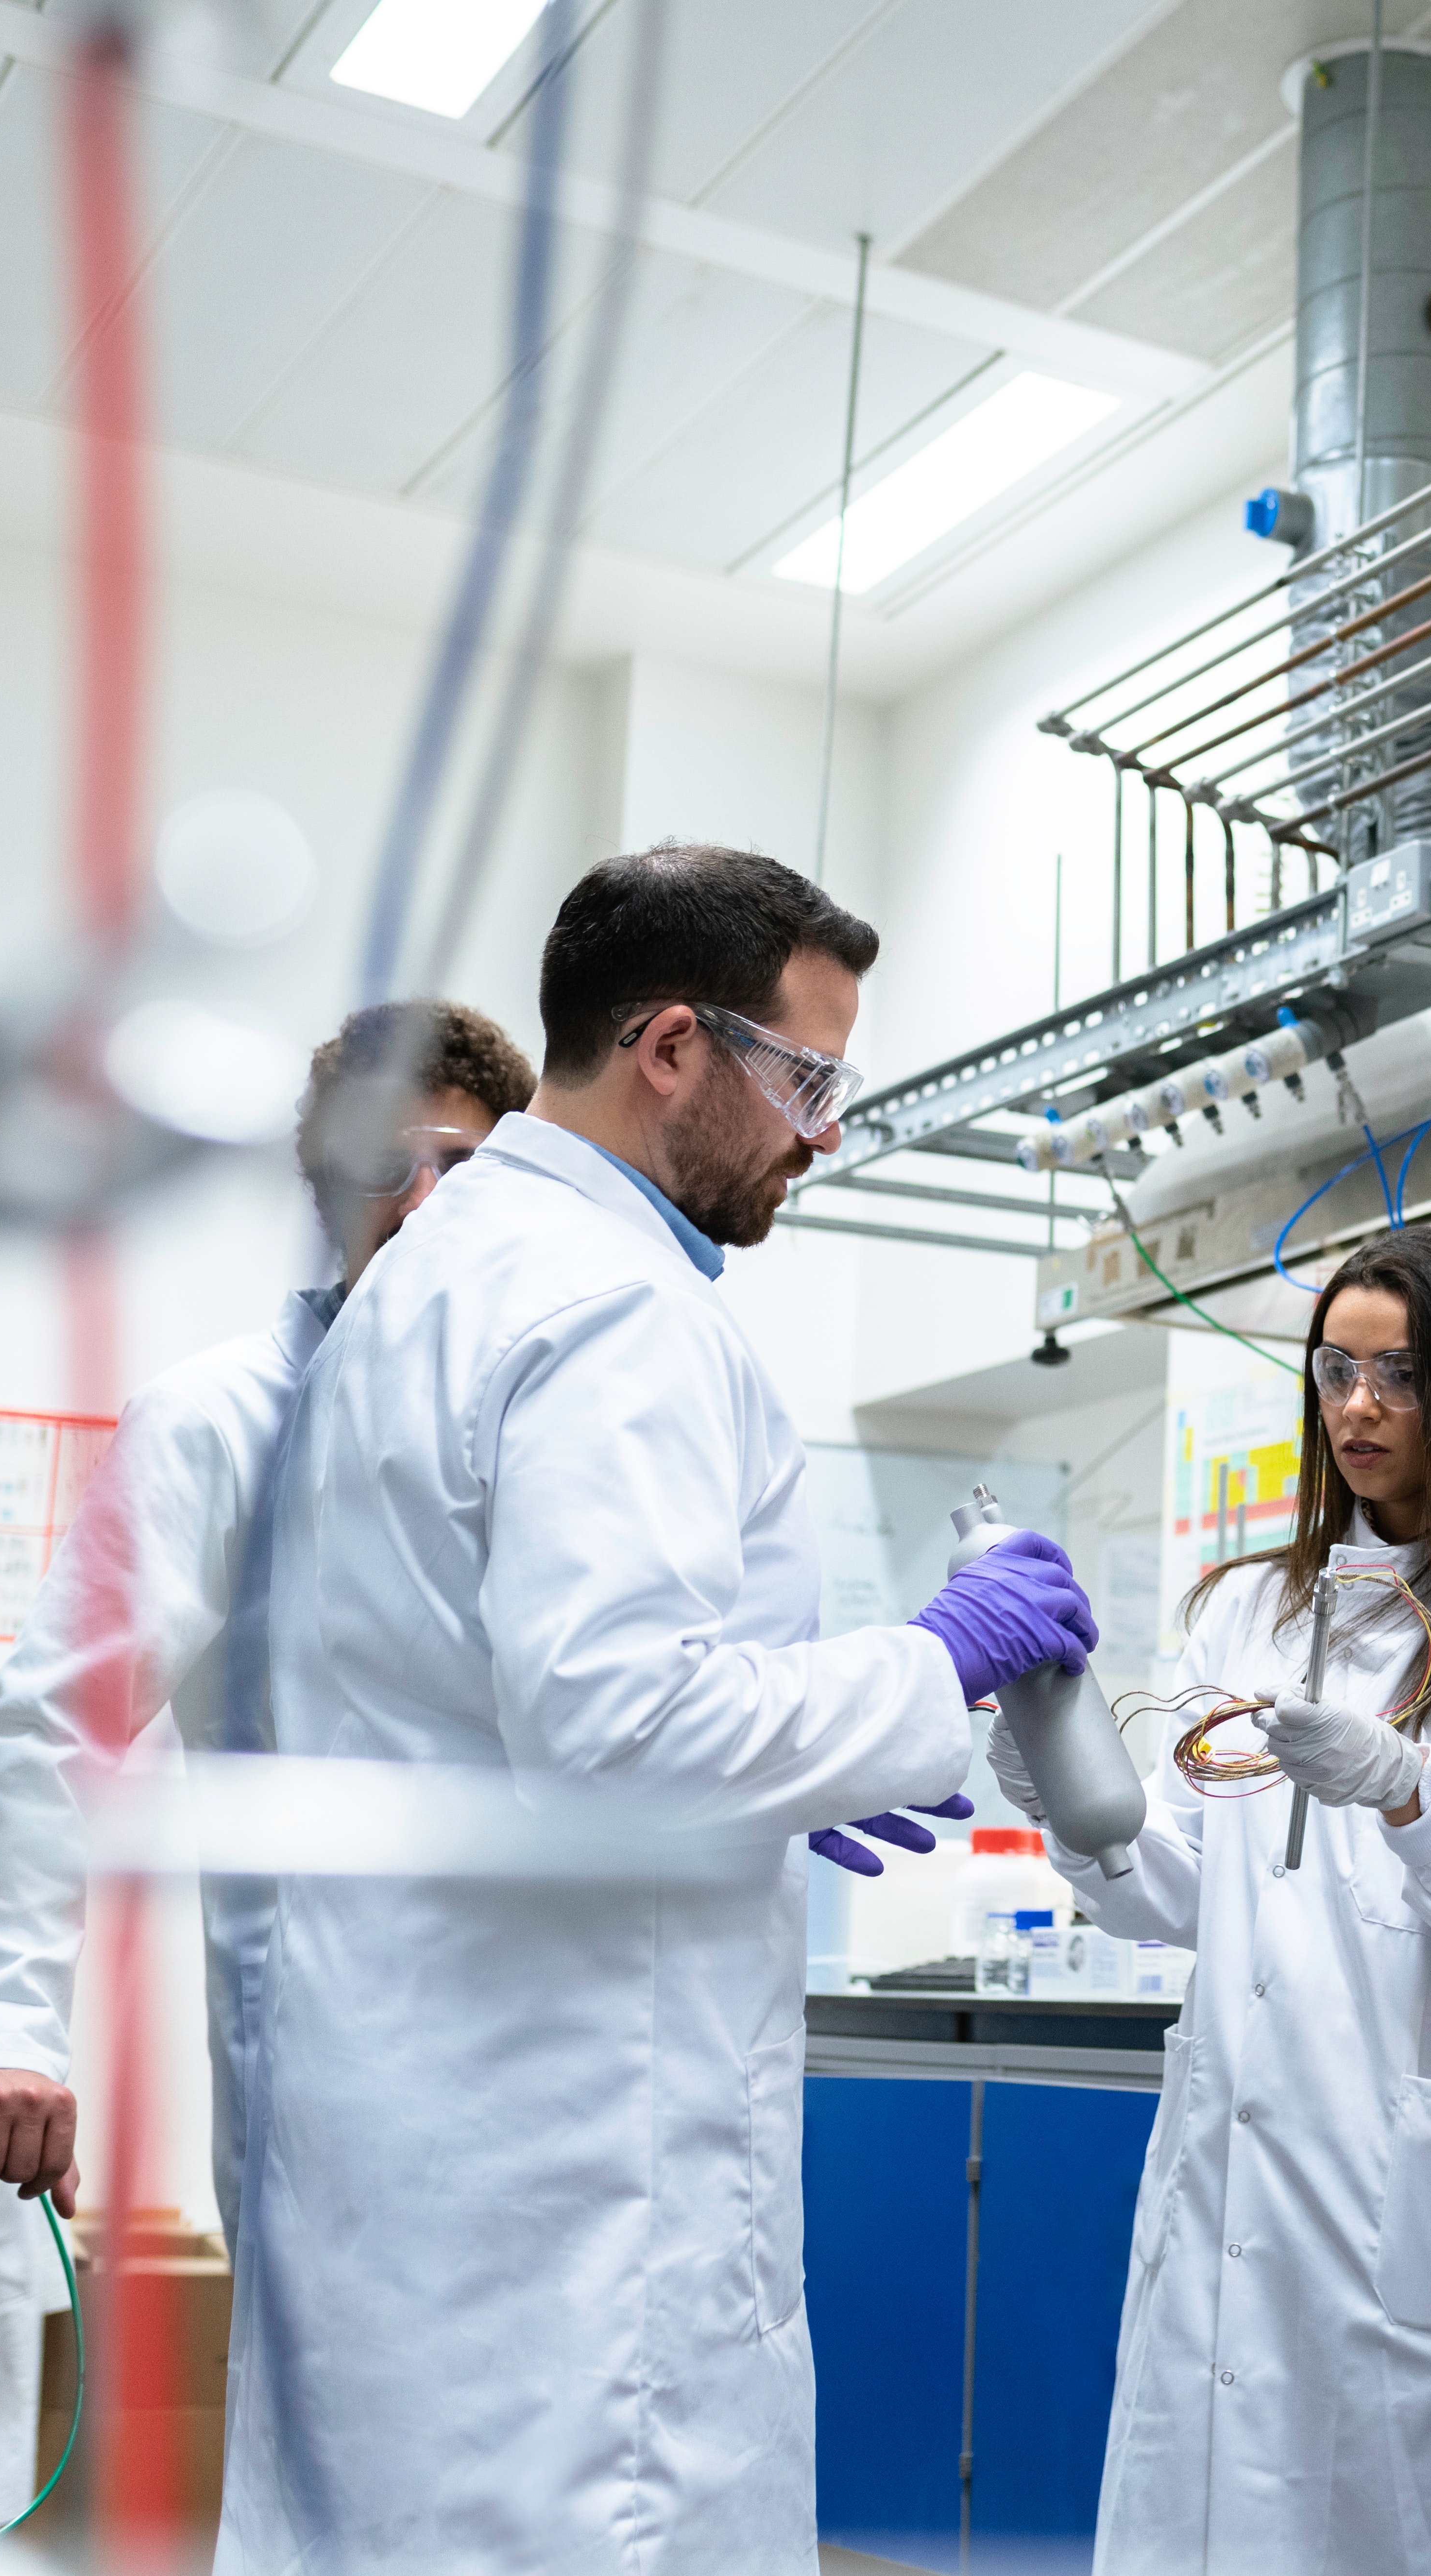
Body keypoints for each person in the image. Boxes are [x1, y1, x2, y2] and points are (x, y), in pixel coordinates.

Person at [218, 845, 1092, 2573]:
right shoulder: (613, 1305)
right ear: (674, 1049)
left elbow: (502, 1692)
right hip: (569, 2169)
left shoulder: (439, 1276)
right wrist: (936, 1661)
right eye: (808, 1077)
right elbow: (621, 1730)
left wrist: (801, 1751)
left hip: (423, 2121)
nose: (824, 1132)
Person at [0, 997, 533, 2534]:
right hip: (337, 2069)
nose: (434, 1202)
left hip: (563, 2070)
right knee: (350, 2494)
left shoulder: (556, 1430)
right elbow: (64, 1723)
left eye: (476, 1170)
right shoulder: (221, 1421)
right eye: (393, 1163)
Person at [994, 1226, 1431, 2572]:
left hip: (1416, 2193)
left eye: (1403, 1375)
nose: (1360, 1408)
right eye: (1337, 1370)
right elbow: (1181, 1894)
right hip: (1236, 2177)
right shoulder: (1248, 1612)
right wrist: (1069, 1797)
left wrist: (1407, 1793)